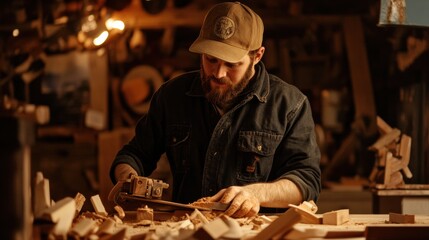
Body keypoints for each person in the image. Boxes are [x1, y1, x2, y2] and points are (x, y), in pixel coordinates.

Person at [110, 1, 321, 218]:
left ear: (257, 56)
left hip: (257, 234)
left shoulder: (290, 105)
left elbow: (307, 181)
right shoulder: (172, 96)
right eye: (210, 59)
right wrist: (128, 178)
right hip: (187, 228)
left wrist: (255, 193)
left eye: (231, 64)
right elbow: (135, 154)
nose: (218, 73)